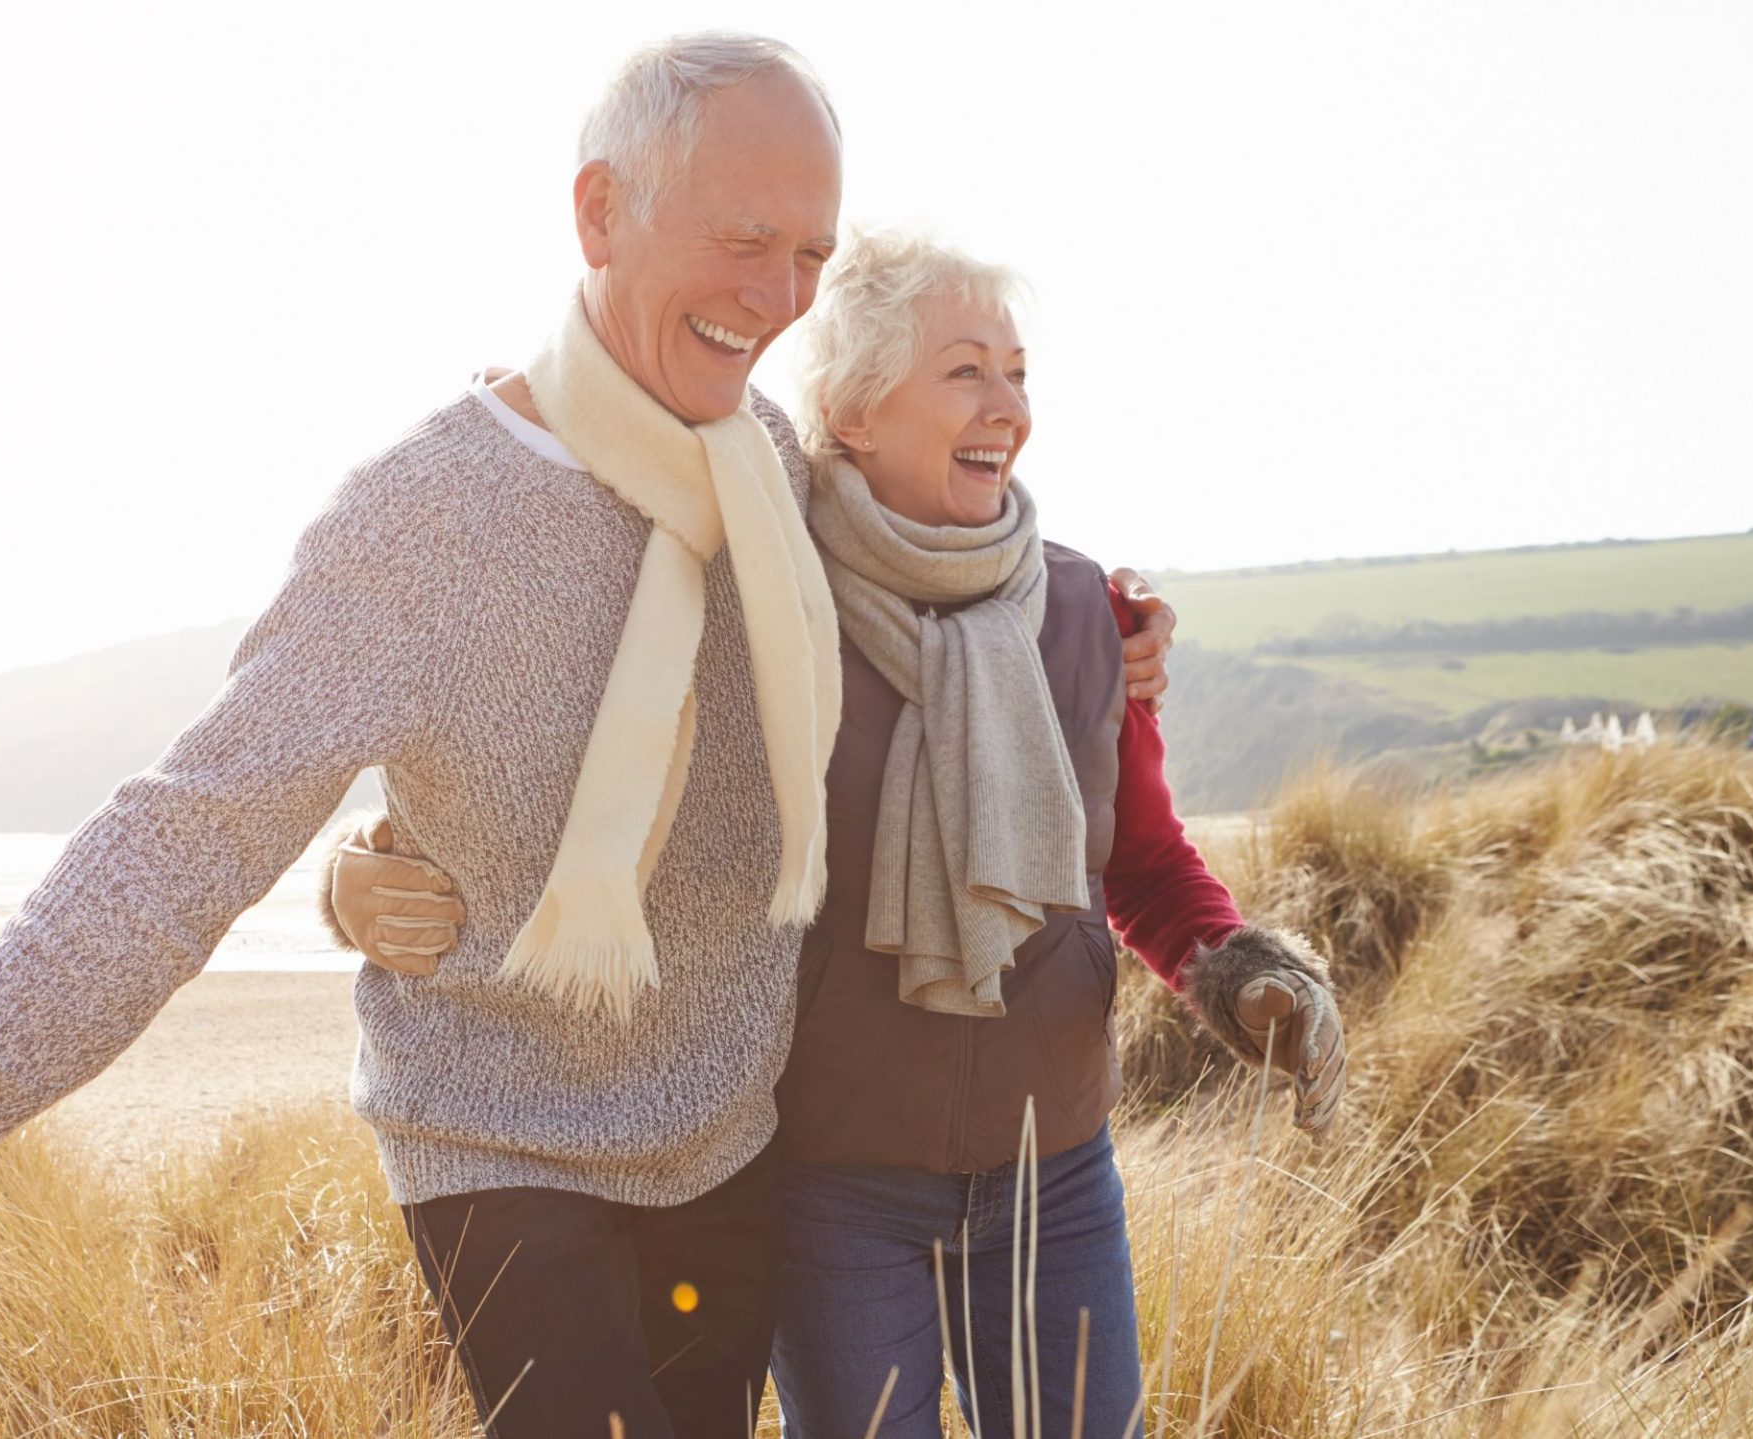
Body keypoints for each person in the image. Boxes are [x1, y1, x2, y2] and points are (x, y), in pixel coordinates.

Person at [0, 34, 1176, 1439]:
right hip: (499, 1141)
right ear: (600, 210)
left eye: (810, 252)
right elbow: (196, 820)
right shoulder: (427, 518)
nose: (780, 297)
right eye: (747, 238)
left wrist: (1112, 628)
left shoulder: (783, 485)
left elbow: (950, 572)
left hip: (731, 1140)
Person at [324, 230, 1342, 1438]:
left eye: (1018, 372)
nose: (1007, 406)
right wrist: (356, 873)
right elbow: (572, 778)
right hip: (833, 1185)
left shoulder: (1083, 612)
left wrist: (1236, 970)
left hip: (1054, 1174)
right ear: (852, 414)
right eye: (966, 371)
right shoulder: (755, 598)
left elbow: (1140, 865)